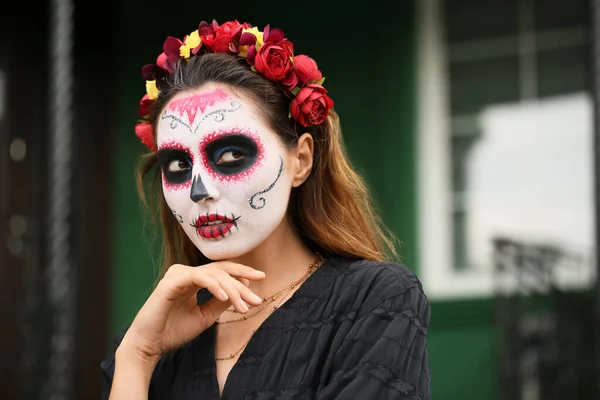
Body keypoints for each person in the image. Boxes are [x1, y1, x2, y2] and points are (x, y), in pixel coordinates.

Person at [101, 19, 431, 400]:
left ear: (301, 160)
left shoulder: (375, 302)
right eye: (177, 165)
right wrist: (137, 357)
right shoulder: (148, 343)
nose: (198, 190)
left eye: (231, 154)